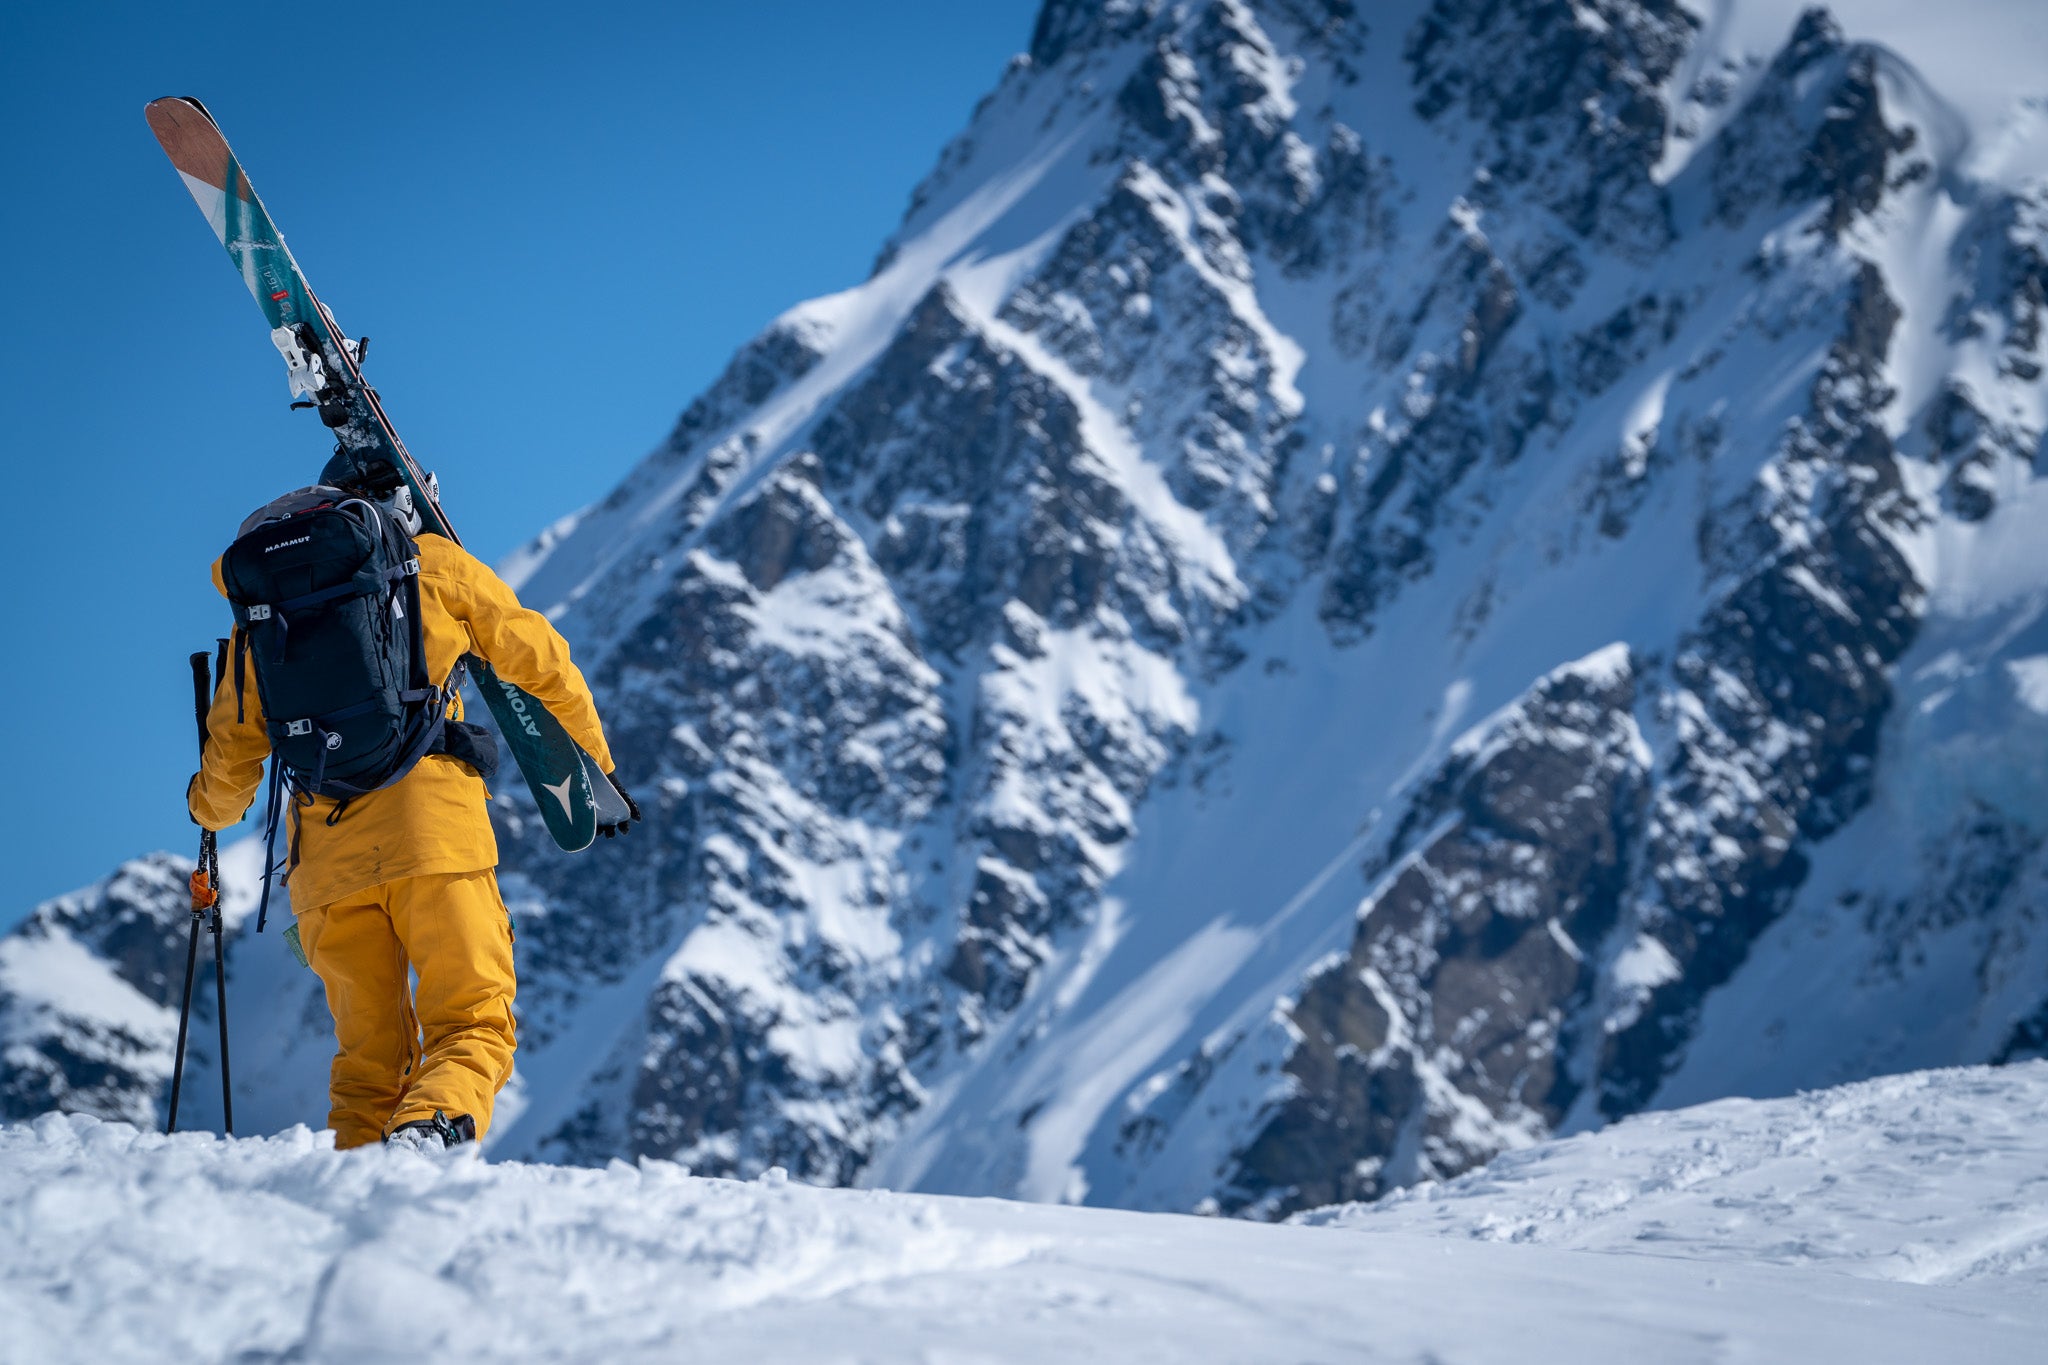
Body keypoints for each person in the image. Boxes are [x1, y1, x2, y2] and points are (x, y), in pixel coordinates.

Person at [187, 455, 631, 1153]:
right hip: (434, 840)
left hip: (326, 873)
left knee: (367, 1068)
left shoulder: (268, 612)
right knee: (473, 1022)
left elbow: (230, 764)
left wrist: (205, 809)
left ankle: (360, 1190)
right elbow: (540, 658)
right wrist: (593, 765)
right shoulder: (433, 565)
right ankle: (429, 1131)